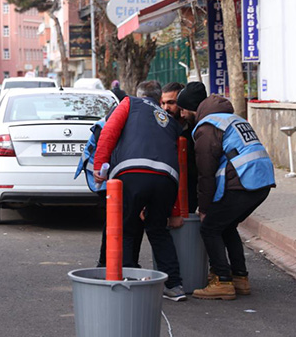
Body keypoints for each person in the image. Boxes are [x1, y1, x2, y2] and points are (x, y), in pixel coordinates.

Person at [176, 82, 275, 300]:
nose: (181, 115)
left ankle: (222, 280)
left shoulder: (206, 127)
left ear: (192, 109)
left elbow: (206, 174)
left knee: (210, 228)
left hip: (242, 182)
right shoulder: (232, 118)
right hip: (261, 181)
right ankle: (240, 278)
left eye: (182, 110)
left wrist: (204, 208)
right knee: (227, 226)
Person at [94, 80, 186, 301]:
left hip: (132, 172)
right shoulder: (170, 121)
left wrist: (100, 166)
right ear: (157, 98)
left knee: (126, 226)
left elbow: (109, 132)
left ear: (139, 94)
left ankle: (126, 281)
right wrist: (176, 209)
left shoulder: (129, 103)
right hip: (167, 179)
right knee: (157, 229)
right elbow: (178, 160)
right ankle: (174, 285)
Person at [160, 81, 199, 221]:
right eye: (163, 103)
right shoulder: (160, 129)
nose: (166, 108)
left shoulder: (196, 128)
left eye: (171, 103)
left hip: (190, 191)